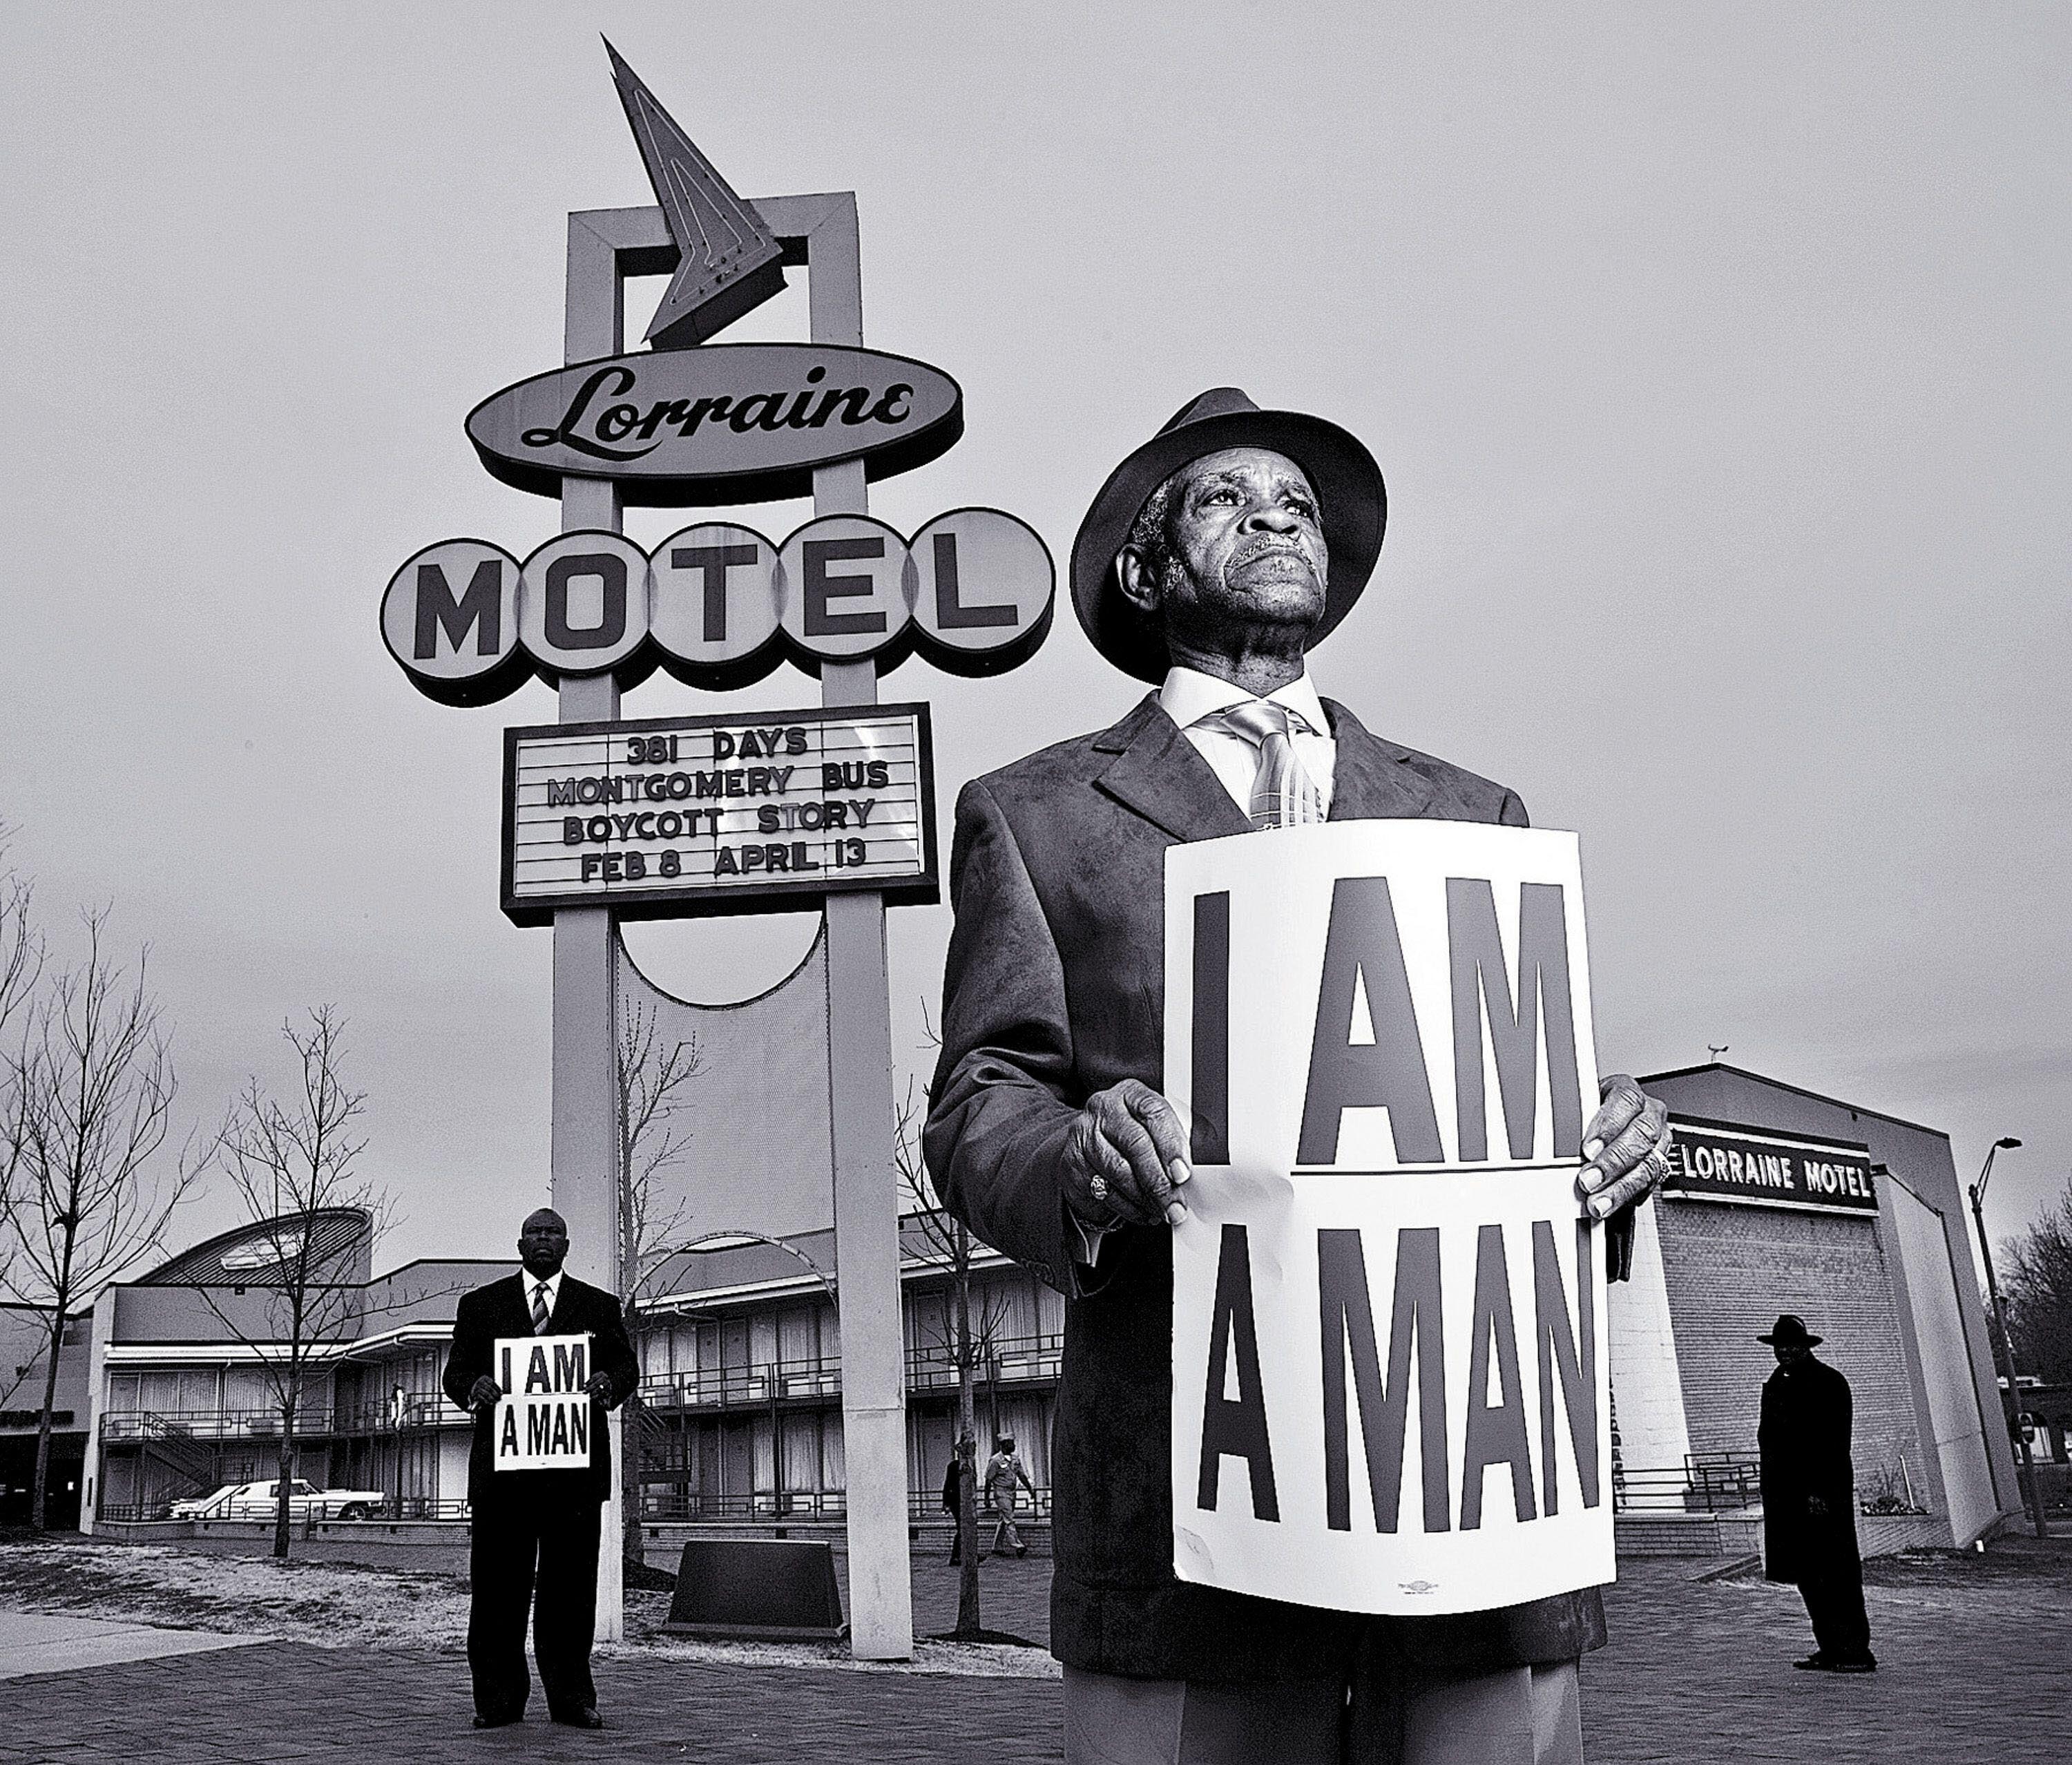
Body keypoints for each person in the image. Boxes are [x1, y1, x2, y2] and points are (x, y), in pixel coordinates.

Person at [924, 388, 1679, 1765]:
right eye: (1225, 495)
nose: (1278, 512)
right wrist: (1076, 1159)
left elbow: (1523, 1110)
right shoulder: (1032, 814)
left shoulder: (1475, 813)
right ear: (1147, 569)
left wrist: (1611, 1143)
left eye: (1299, 502)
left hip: (1469, 1526)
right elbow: (980, 1103)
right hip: (1184, 1520)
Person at [443, 1208, 638, 1730]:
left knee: (570, 1595)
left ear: (567, 1245)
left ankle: (572, 1699)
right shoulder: (480, 1305)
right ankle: (498, 1700)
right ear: (520, 1244)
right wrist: (473, 1387)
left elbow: (627, 1367)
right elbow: (456, 1370)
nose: (544, 1239)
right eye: (535, 1232)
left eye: (553, 1232)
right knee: (496, 1593)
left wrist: (608, 1384)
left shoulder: (599, 1306)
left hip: (572, 1479)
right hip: (503, 1479)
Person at [1757, 1314, 1874, 1672]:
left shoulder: (1828, 1383)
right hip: (1787, 1498)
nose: (1785, 1352)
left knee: (1837, 1573)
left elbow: (1832, 1444)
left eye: (1792, 1346)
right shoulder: (1778, 1382)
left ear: (1805, 1347)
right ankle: (1831, 1647)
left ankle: (1855, 1651)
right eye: (1780, 1346)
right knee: (1809, 1576)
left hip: (1822, 1497)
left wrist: (1818, 1492)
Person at [984, 1435, 1037, 1558]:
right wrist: (986, 1499)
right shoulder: (995, 1461)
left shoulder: (1015, 1459)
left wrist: (1030, 1489)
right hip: (1001, 1492)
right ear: (1002, 1445)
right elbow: (988, 1481)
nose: (1012, 1446)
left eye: (1013, 1443)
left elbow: (1021, 1475)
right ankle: (1018, 1546)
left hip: (1012, 1492)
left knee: (1003, 1520)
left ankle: (996, 1547)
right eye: (1009, 1444)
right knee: (1009, 1519)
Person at [943, 1431, 975, 1565]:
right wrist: (946, 1503)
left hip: (967, 1500)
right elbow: (947, 1484)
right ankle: (956, 1556)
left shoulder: (971, 1465)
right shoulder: (954, 1466)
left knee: (968, 1528)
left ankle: (968, 1554)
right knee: (962, 1528)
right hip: (956, 1501)